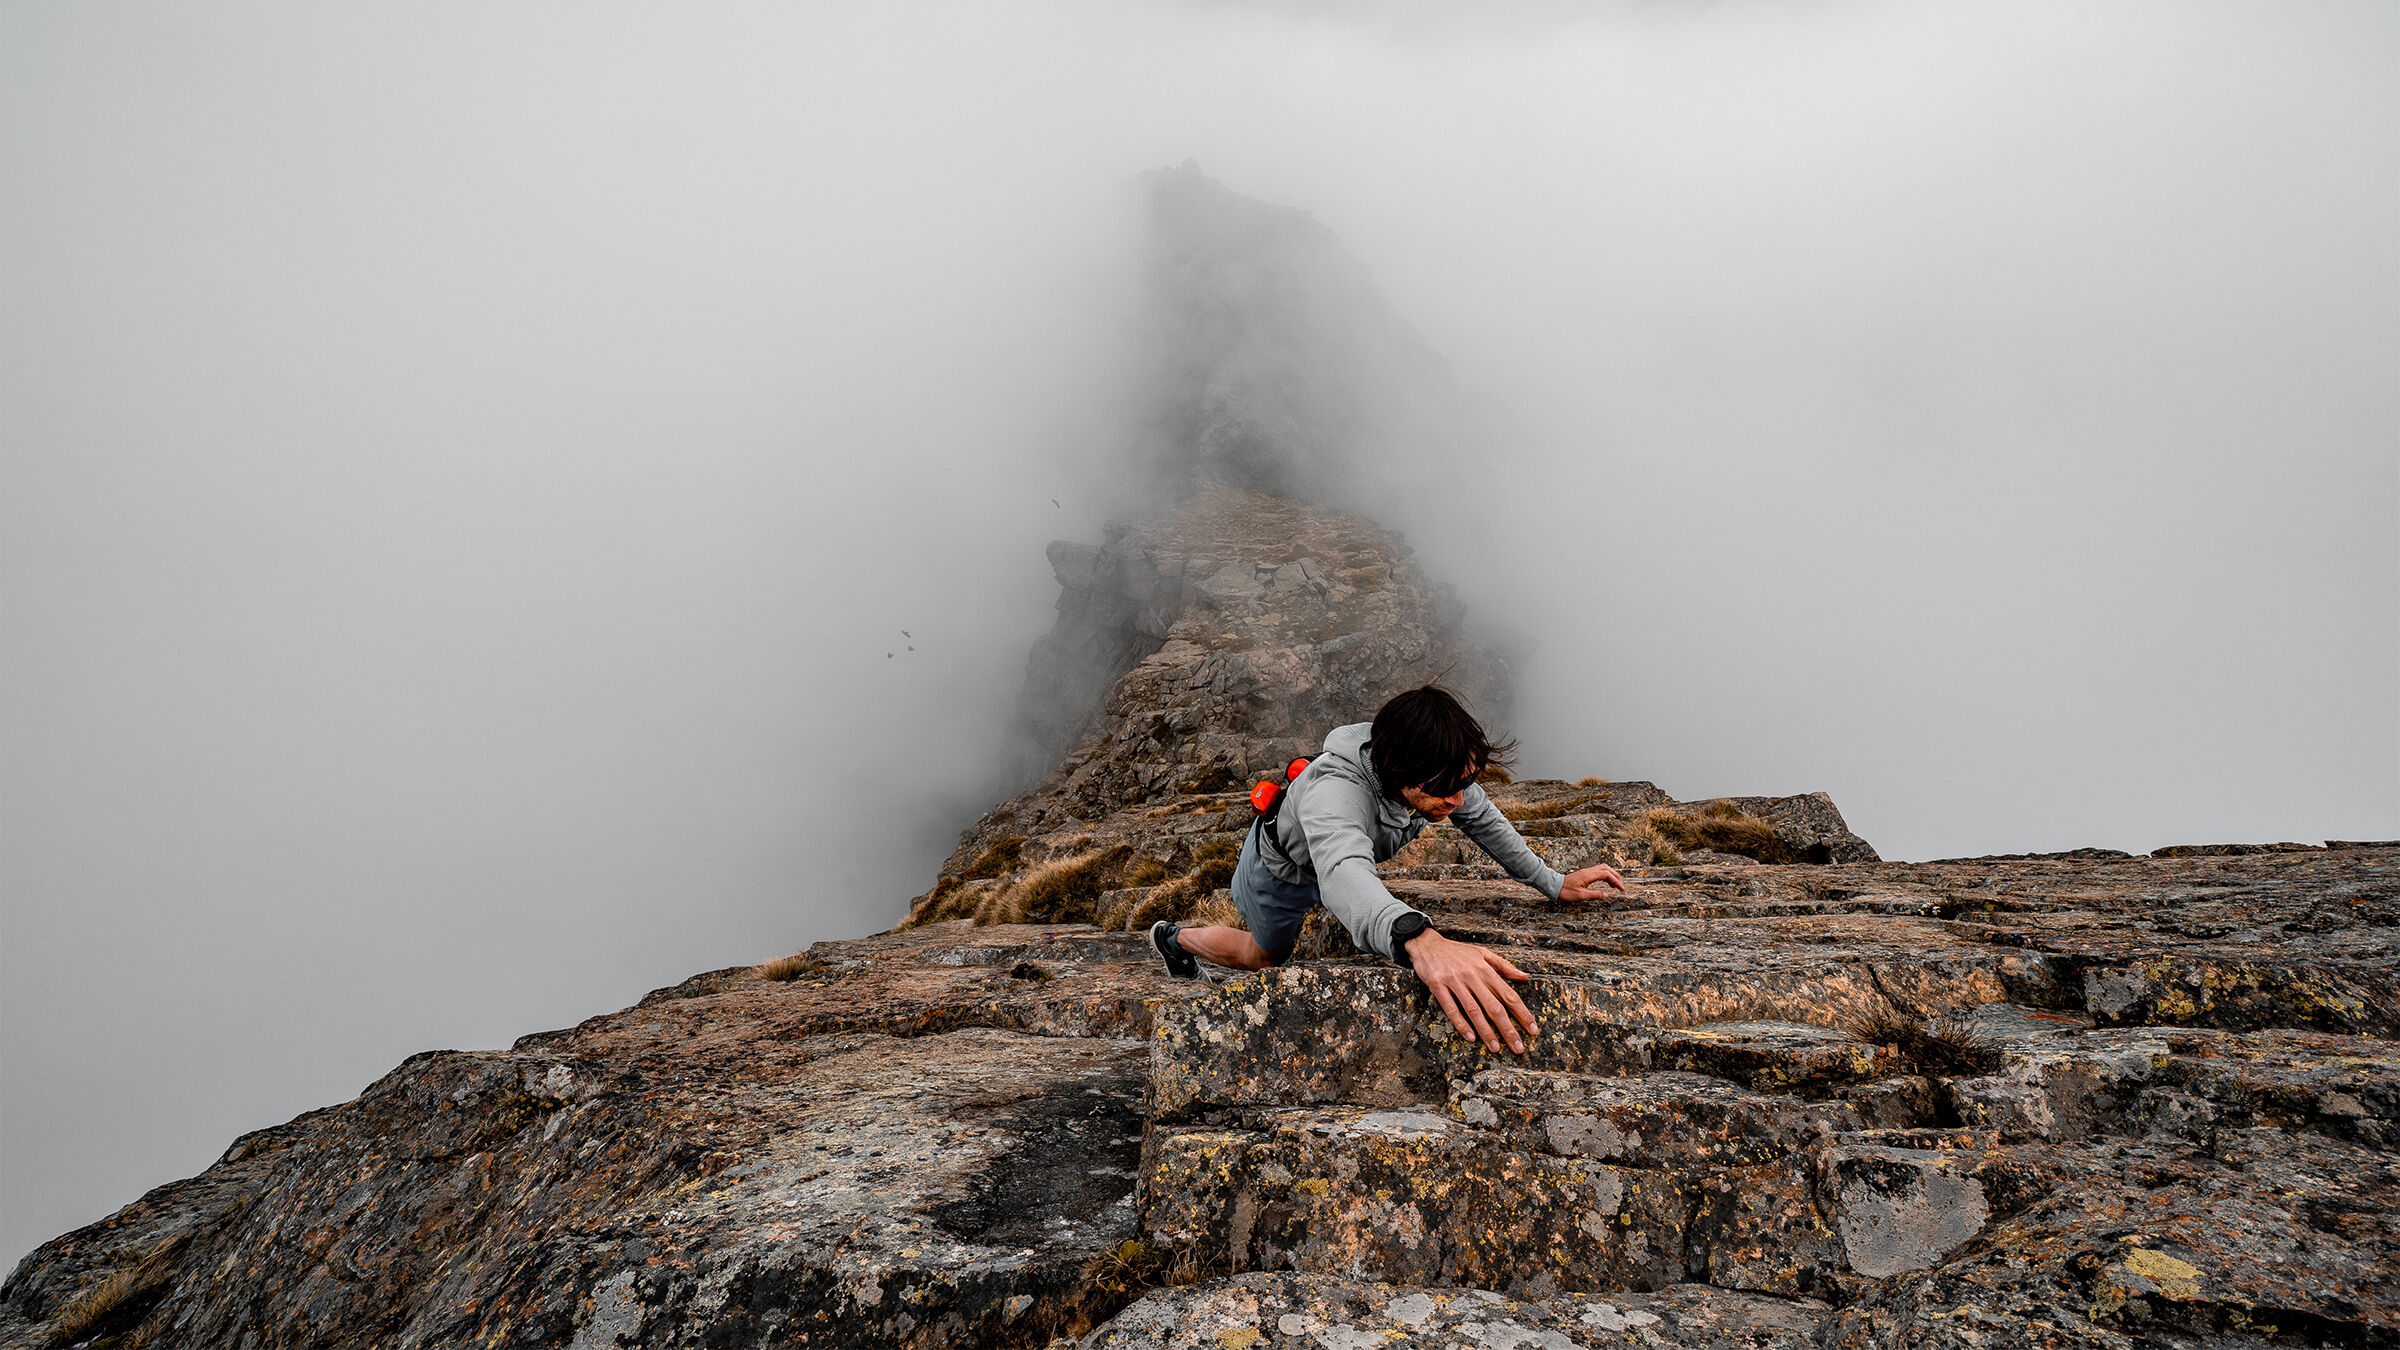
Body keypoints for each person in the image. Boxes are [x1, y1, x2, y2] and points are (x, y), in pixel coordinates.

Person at [1150, 685, 1628, 1055]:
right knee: (1265, 957)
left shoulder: (1430, 767)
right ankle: (1174, 939)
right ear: (1402, 774)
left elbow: (1481, 818)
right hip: (1284, 871)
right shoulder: (1336, 794)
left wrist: (1554, 882)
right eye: (1448, 789)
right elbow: (1339, 870)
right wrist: (1420, 939)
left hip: (1343, 855)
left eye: (1467, 782)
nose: (1459, 799)